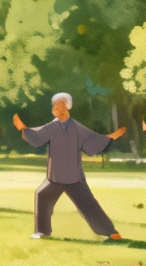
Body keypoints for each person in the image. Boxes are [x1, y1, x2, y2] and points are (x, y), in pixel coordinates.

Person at [13, 92, 126, 240]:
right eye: (55, 106)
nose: (57, 109)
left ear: (68, 107)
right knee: (42, 195)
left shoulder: (78, 128)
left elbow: (93, 142)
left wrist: (111, 137)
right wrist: (23, 129)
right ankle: (41, 231)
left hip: (74, 177)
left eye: (60, 106)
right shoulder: (52, 126)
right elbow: (37, 136)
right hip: (55, 176)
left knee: (88, 204)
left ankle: (110, 232)